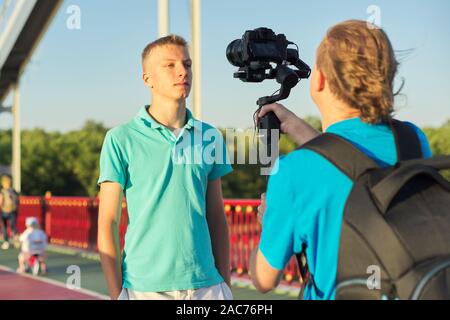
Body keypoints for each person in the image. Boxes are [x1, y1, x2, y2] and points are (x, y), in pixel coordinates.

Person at [249, 20, 433, 299]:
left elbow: (264, 279)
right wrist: (298, 128)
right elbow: (356, 168)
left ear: (320, 80)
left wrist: (269, 226)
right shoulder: (413, 141)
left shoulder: (293, 172)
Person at [97, 34, 233, 300]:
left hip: (208, 287)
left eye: (187, 64)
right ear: (147, 79)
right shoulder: (120, 139)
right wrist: (117, 294)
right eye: (169, 65)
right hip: (144, 289)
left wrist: (224, 285)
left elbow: (216, 215)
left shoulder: (210, 136)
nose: (182, 71)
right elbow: (108, 222)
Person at [0, 175, 19, 250]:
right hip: (13, 210)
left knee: (5, 226)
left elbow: (1, 201)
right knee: (13, 226)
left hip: (5, 210)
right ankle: (15, 240)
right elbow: (17, 200)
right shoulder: (13, 191)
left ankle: (6, 242)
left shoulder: (2, 191)